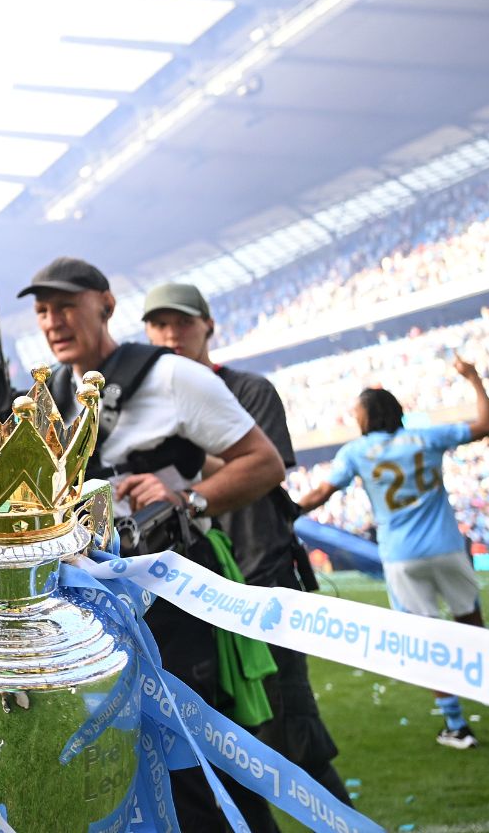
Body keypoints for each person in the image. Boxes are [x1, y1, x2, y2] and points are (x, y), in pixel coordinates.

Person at [24, 257, 285, 832]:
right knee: (128, 759)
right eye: (43, 310)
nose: (54, 320)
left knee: (198, 753)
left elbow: (263, 464)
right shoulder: (47, 396)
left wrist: (185, 498)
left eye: (67, 305)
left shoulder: (172, 376)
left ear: (106, 305)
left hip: (173, 589)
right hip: (93, 602)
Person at [142, 282, 351, 808]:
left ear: (208, 326)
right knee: (219, 751)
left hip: (260, 582)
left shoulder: (247, 389)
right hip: (190, 598)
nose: (172, 334)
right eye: (159, 325)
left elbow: (257, 467)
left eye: (183, 322)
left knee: (292, 729)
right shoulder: (142, 408)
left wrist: (175, 459)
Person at [297, 360, 489, 749]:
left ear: (369, 416)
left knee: (427, 641)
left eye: (357, 413)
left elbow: (321, 493)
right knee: (473, 627)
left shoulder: (357, 451)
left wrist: (286, 509)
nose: (354, 419)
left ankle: (457, 726)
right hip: (446, 548)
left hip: (402, 556)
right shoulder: (426, 437)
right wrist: (474, 378)